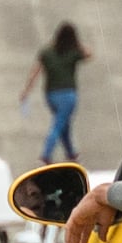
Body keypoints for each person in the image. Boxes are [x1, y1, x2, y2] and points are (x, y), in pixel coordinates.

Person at [36, 18, 90, 161]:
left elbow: (35, 71)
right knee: (59, 123)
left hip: (50, 94)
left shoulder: (48, 52)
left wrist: (25, 91)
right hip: (68, 94)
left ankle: (71, 153)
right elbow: (89, 54)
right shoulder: (73, 52)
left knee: (63, 122)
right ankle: (46, 153)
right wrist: (78, 43)